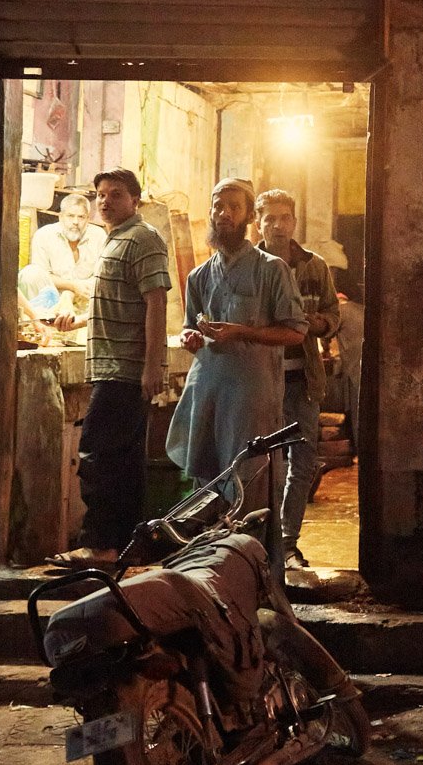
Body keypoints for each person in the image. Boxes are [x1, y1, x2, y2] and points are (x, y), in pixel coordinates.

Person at [166, 179, 307, 542]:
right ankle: (206, 569)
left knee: (251, 483)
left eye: (233, 206)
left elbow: (295, 332)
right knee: (207, 485)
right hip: (207, 393)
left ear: (247, 216)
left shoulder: (270, 269)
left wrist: (242, 332)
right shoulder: (198, 276)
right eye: (217, 206)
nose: (223, 213)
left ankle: (254, 571)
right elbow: (188, 329)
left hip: (251, 397)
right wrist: (191, 338)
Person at [50, 168, 170, 568]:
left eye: (115, 194)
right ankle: (126, 547)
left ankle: (99, 544)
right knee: (123, 463)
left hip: (124, 370)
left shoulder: (143, 238)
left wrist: (152, 367)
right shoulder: (114, 240)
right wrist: (78, 321)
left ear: (135, 200)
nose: (104, 201)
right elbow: (119, 304)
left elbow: (156, 302)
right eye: (100, 194)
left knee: (98, 455)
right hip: (112, 366)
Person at [254, 188, 341, 570]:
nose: (277, 225)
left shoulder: (313, 265)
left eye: (284, 218)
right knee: (260, 462)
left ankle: (287, 542)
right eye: (269, 218)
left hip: (303, 379)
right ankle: (259, 542)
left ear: (294, 221)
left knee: (302, 461)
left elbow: (332, 313)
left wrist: (319, 324)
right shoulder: (248, 265)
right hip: (258, 379)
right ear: (258, 222)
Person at [20, 191, 106, 316]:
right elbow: (41, 274)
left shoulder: (99, 236)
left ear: (88, 219)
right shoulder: (44, 235)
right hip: (52, 296)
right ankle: (43, 318)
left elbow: (101, 276)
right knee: (30, 273)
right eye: (70, 216)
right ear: (60, 217)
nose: (75, 222)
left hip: (85, 296)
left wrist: (71, 293)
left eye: (81, 217)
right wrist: (72, 286)